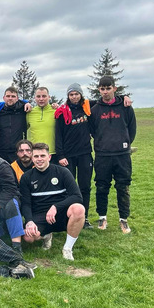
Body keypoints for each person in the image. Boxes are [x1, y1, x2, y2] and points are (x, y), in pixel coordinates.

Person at [19, 143, 85, 261]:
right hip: (40, 214)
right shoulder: (26, 177)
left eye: (42, 156)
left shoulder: (63, 172)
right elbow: (26, 203)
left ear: (49, 157)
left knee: (79, 209)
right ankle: (46, 235)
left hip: (61, 212)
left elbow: (77, 196)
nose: (39, 159)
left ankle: (67, 248)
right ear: (32, 158)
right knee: (28, 237)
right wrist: (29, 221)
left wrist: (55, 206)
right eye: (36, 156)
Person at [89, 75, 137, 233]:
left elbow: (132, 128)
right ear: (99, 90)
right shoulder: (95, 110)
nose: (105, 92)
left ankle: (124, 219)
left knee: (123, 187)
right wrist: (102, 143)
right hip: (102, 155)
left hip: (122, 155)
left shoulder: (125, 107)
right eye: (102, 89)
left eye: (108, 88)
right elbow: (93, 130)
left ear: (114, 89)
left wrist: (124, 143)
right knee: (101, 186)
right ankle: (102, 217)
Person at [55, 83, 94, 228]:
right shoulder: (62, 112)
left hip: (85, 154)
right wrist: (60, 155)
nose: (74, 97)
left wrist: (123, 97)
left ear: (81, 94)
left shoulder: (88, 108)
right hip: (68, 156)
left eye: (76, 94)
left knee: (85, 186)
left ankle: (84, 217)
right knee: (69, 188)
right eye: (71, 94)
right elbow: (58, 135)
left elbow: (105, 100)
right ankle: (69, 217)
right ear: (68, 96)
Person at [0, 86, 30, 163]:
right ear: (4, 98)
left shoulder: (23, 109)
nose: (10, 98)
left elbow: (25, 102)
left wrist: (27, 102)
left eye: (13, 96)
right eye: (8, 96)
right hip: (2, 150)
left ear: (17, 98)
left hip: (18, 150)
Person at [26, 87, 56, 159]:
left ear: (49, 97)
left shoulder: (56, 111)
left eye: (44, 96)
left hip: (53, 153)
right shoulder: (29, 112)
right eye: (38, 96)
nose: (41, 99)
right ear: (35, 98)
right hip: (35, 153)